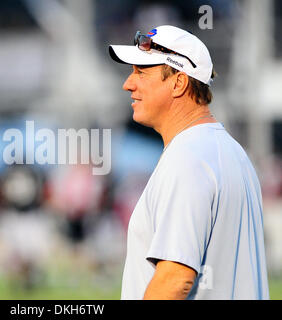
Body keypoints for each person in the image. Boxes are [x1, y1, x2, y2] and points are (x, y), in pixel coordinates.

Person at [108, 25, 269, 299]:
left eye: (141, 72)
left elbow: (175, 278)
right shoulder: (231, 151)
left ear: (179, 83)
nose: (128, 83)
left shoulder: (188, 158)